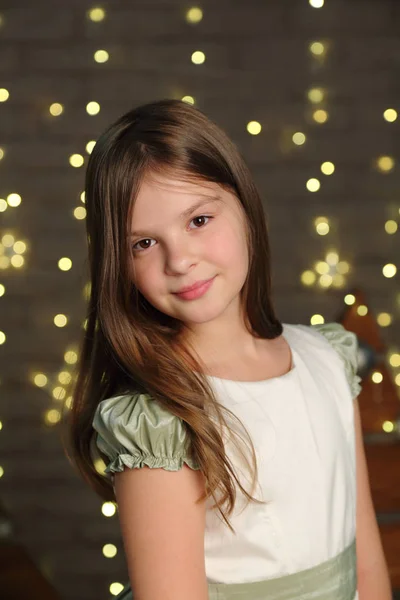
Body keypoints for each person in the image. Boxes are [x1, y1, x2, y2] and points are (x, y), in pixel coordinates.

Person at [65, 99, 391, 600]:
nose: (180, 260)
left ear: (244, 206)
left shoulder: (328, 361)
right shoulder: (162, 421)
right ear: (119, 263)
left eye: (198, 220)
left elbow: (366, 560)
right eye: (144, 244)